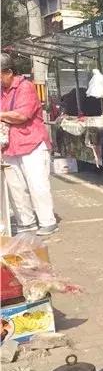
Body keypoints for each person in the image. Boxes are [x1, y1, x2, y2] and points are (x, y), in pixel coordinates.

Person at [0, 53, 58, 236]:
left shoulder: (26, 87)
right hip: (10, 146)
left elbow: (21, 116)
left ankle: (47, 221)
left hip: (32, 143)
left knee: (37, 185)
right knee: (15, 187)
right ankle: (26, 221)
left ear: (9, 72)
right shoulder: (2, 91)